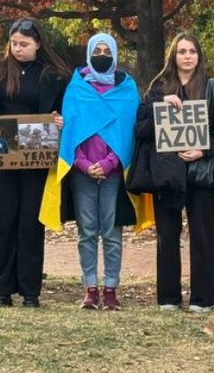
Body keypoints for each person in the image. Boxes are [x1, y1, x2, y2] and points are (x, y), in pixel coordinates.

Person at [40, 33, 150, 310]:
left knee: (112, 232)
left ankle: (111, 289)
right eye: (97, 50)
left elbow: (129, 132)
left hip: (115, 172)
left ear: (114, 53)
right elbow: (69, 132)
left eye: (107, 50)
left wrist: (111, 163)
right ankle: (90, 288)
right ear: (89, 53)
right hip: (82, 172)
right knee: (87, 231)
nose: (102, 54)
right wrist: (85, 165)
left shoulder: (127, 89)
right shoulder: (76, 88)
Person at [0, 17, 68, 308]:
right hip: (1, 157)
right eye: (14, 43)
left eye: (24, 44)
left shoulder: (52, 74)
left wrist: (59, 119)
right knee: (6, 219)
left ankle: (30, 291)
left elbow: (64, 108)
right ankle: (2, 288)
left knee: (31, 222)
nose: (18, 49)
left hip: (36, 156)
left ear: (38, 44)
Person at [134, 31, 214, 312]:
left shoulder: (212, 88)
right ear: (173, 55)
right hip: (166, 173)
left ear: (199, 56)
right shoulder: (158, 88)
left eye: (192, 51)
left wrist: (202, 151)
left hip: (200, 172)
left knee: (202, 235)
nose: (187, 56)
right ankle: (168, 297)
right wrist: (158, 107)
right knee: (167, 236)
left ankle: (203, 298)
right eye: (182, 51)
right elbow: (140, 130)